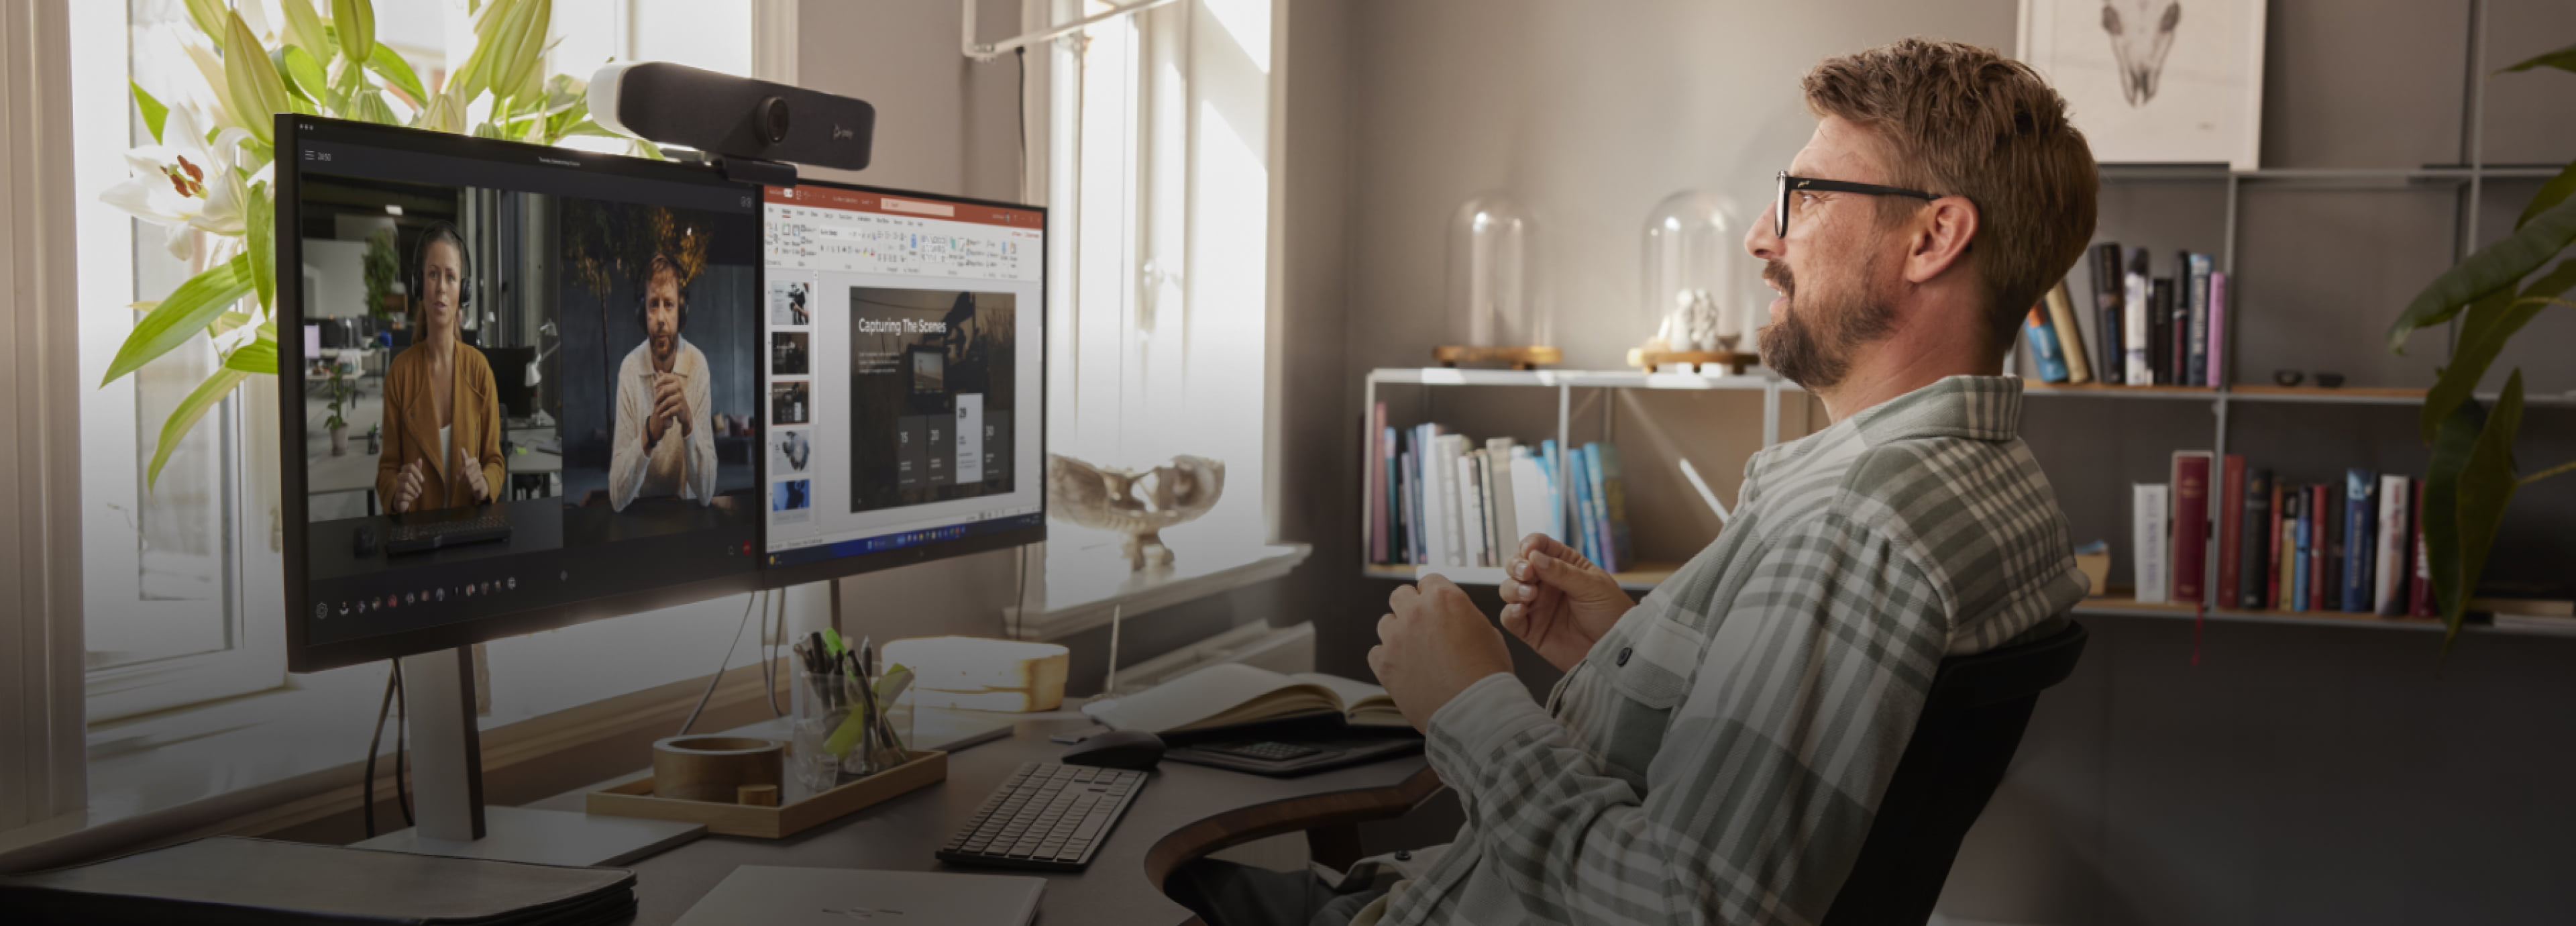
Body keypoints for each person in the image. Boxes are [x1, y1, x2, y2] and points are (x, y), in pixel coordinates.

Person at [1167, 38, 2100, 926]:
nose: (1760, 237)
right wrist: (1639, 653)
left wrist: (1469, 706)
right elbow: (1798, 750)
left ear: (1934, 236)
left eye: (1806, 196)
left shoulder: (1853, 528)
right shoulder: (1992, 484)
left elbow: (1680, 910)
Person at [376, 221, 503, 515]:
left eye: (451, 277)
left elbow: (495, 461)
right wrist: (396, 493)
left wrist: (485, 483)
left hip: (469, 529)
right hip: (417, 531)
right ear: (419, 285)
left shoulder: (480, 370)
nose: (441, 287)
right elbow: (387, 470)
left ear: (463, 291)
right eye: (433, 274)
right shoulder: (400, 373)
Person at [610, 252, 717, 510]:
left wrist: (688, 423)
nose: (660, 318)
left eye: (669, 305)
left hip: (687, 517)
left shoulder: (698, 365)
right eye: (653, 305)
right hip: (640, 517)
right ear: (642, 313)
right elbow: (617, 497)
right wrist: (650, 433)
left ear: (682, 312)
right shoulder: (630, 369)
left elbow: (706, 493)